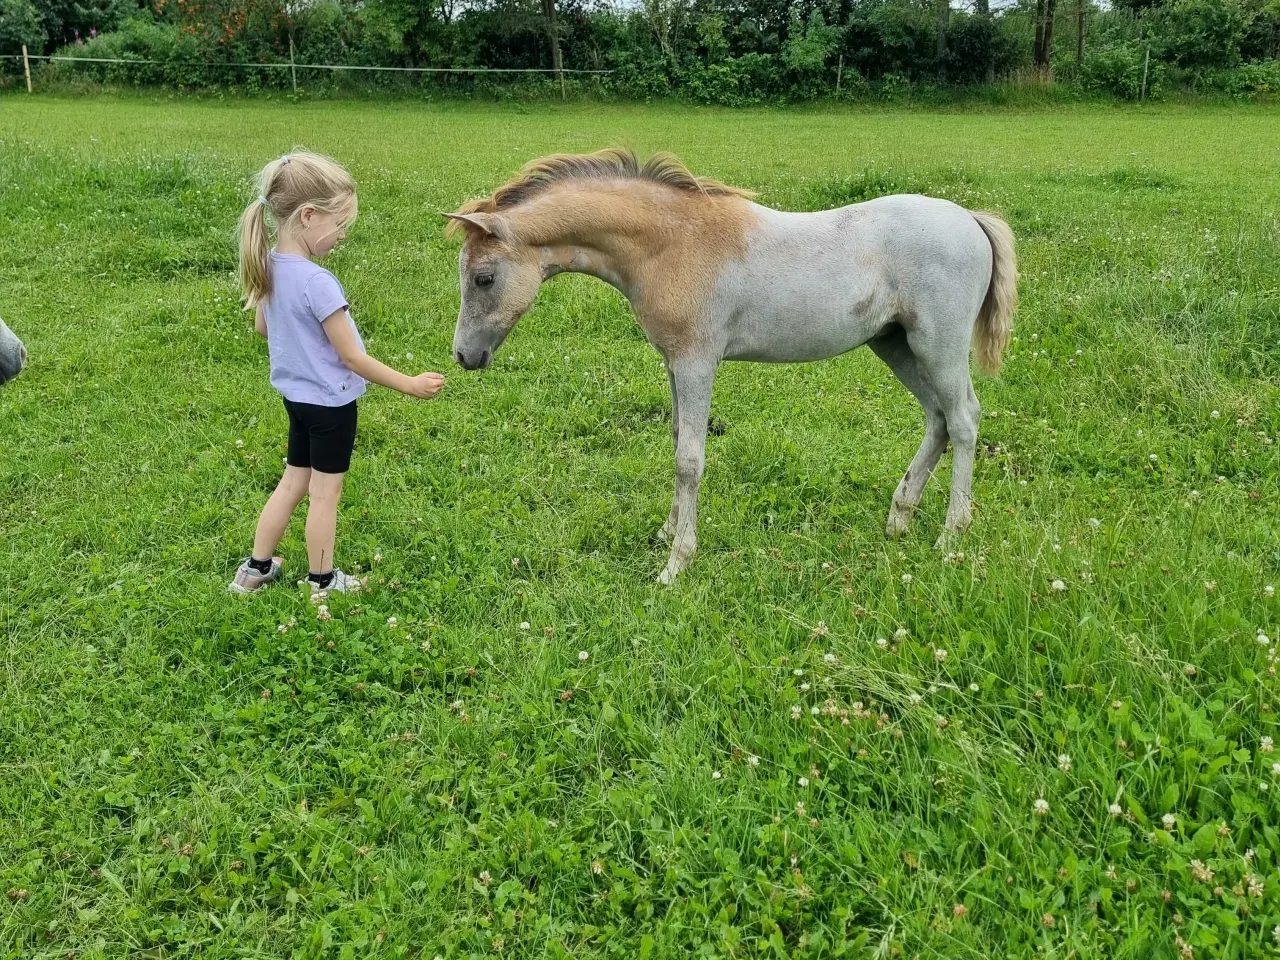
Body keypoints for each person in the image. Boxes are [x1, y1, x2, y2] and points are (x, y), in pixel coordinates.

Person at [230, 151, 444, 595]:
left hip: (297, 400)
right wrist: (409, 383)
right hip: (331, 405)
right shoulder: (317, 282)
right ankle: (323, 583)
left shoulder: (268, 265)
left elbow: (262, 327)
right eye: (339, 223)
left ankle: (255, 570)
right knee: (324, 495)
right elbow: (352, 358)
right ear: (308, 216)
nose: (342, 234)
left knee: (291, 483)